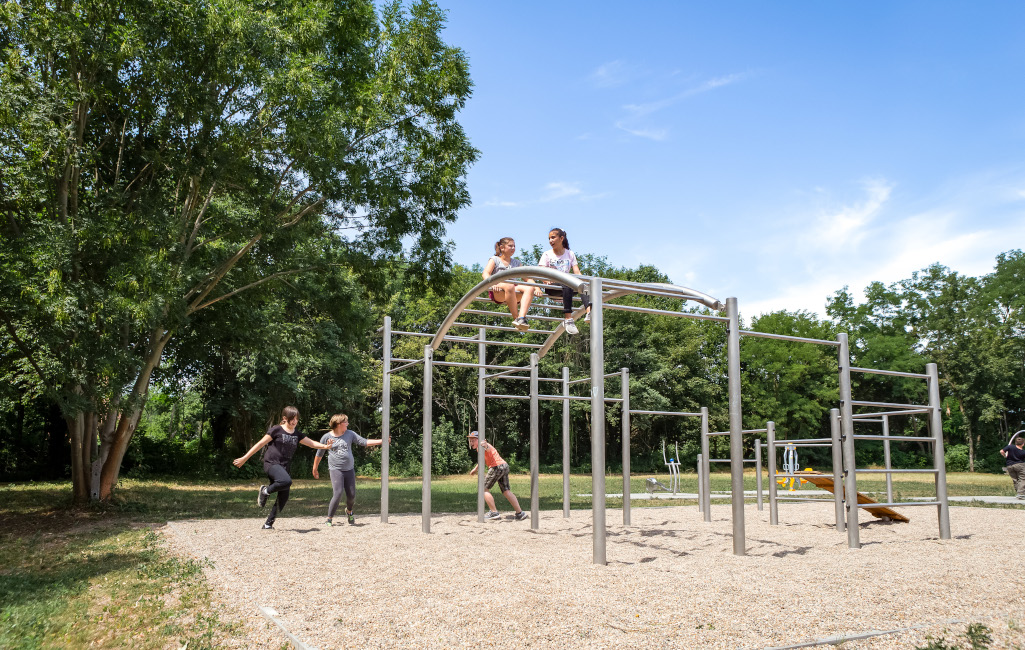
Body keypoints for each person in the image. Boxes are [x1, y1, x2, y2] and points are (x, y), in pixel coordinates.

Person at [232, 406, 333, 529]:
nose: (295, 421)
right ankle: (265, 491)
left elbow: (311, 443)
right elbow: (260, 444)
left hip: (285, 467)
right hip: (272, 464)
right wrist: (245, 458)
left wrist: (325, 447)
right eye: (292, 419)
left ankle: (268, 524)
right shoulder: (276, 430)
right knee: (286, 481)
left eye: (296, 419)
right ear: (285, 418)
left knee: (283, 497)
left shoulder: (297, 434)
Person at [312, 414, 390, 525]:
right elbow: (319, 453)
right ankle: (329, 518)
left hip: (349, 469)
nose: (348, 424)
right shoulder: (326, 437)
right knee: (338, 493)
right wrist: (315, 468)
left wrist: (381, 441)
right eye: (346, 422)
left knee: (351, 495)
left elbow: (364, 442)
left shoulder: (350, 434)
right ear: (339, 424)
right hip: (336, 469)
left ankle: (349, 511)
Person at [535, 227, 590, 335]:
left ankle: (589, 312)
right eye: (549, 238)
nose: (550, 241)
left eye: (553, 237)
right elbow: (540, 272)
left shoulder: (570, 254)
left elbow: (577, 272)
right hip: (553, 288)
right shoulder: (547, 254)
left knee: (584, 286)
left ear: (561, 238)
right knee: (567, 282)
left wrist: (584, 282)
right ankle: (568, 319)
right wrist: (544, 281)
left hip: (567, 287)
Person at [467, 431, 528, 521]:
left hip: (497, 467)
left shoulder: (483, 446)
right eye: (470, 440)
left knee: (483, 488)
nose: (471, 442)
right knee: (506, 491)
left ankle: (494, 512)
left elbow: (487, 448)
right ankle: (520, 513)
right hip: (504, 466)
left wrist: (485, 445)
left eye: (473, 440)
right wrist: (475, 469)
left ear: (479, 440)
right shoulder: (479, 449)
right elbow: (482, 460)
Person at [482, 237, 534, 332]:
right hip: (498, 290)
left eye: (514, 246)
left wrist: (537, 288)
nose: (513, 248)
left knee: (530, 288)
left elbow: (528, 278)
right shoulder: (495, 260)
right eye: (510, 246)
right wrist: (492, 284)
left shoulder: (516, 262)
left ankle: (521, 318)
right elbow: (485, 273)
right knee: (509, 285)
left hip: (512, 292)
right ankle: (516, 318)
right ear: (502, 247)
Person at [999, 435, 1025, 499]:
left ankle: (1019, 493)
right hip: (1020, 465)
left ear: (1015, 442)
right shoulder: (1023, 452)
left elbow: (1001, 451)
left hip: (1009, 465)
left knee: (1015, 479)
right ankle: (1021, 494)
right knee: (1022, 479)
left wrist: (1005, 456)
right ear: (1023, 444)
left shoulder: (1010, 447)